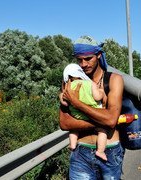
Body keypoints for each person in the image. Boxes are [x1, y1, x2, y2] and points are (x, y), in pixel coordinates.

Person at [59, 35, 124, 179]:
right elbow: (64, 123)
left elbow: (111, 120)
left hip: (110, 151)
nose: (83, 64)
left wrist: (77, 104)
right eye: (79, 60)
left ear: (99, 55)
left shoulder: (113, 80)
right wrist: (102, 120)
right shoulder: (69, 81)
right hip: (80, 152)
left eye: (88, 59)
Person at [63, 63, 110, 161]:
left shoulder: (68, 87)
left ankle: (72, 144)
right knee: (103, 130)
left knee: (73, 129)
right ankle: (100, 151)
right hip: (92, 114)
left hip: (76, 115)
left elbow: (64, 102)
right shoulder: (90, 84)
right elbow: (97, 97)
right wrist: (101, 90)